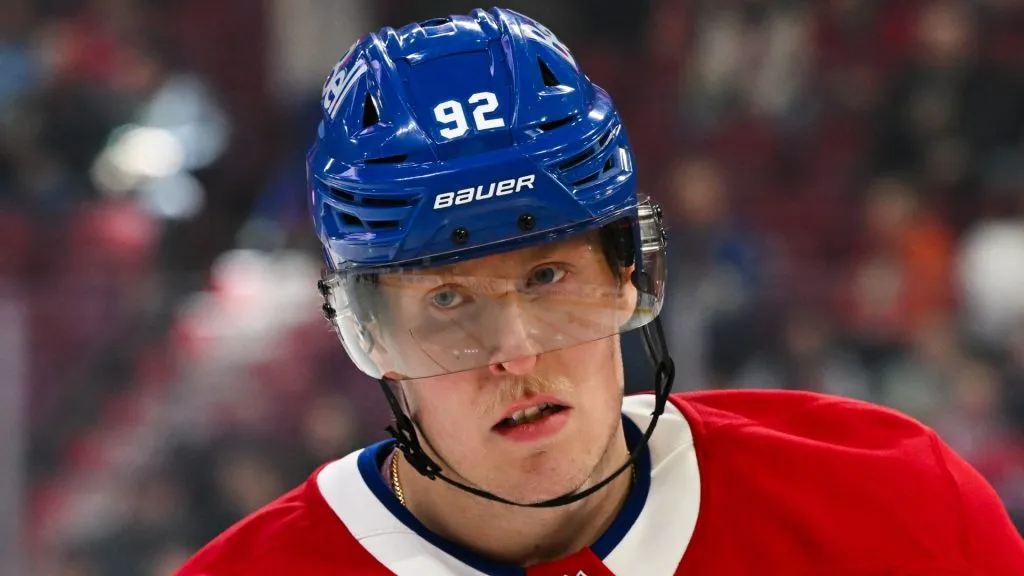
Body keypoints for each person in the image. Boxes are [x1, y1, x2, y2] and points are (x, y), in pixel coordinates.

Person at [176, 8, 1024, 575]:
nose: (517, 351)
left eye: (548, 278)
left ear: (628, 277)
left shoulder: (897, 511)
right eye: (448, 302)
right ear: (374, 338)